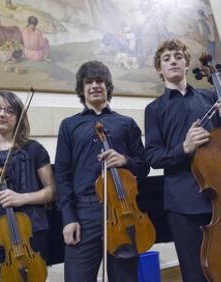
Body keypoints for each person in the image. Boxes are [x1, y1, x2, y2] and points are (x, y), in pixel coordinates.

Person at [144, 38, 221, 282]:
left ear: (186, 64)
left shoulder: (210, 98)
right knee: (194, 271)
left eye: (178, 57)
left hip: (220, 197)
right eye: (166, 59)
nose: (173, 61)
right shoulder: (154, 109)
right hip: (182, 203)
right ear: (159, 70)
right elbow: (153, 156)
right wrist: (183, 147)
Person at [55, 60, 150, 282]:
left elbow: (144, 166)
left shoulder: (125, 123)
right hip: (84, 212)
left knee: (124, 278)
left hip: (124, 212)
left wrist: (125, 159)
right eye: (89, 82)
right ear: (82, 89)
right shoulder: (69, 125)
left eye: (100, 81)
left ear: (108, 86)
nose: (95, 85)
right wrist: (68, 218)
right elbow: (62, 174)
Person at [0, 90, 55, 282]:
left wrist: (23, 198)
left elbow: (51, 191)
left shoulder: (34, 150)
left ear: (19, 117)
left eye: (9, 110)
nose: (2, 114)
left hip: (31, 234)